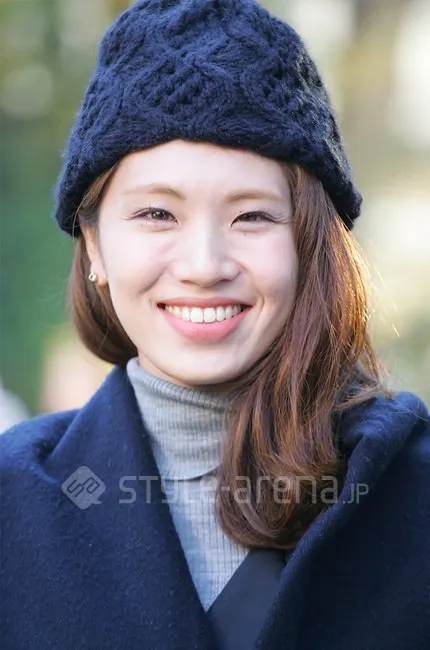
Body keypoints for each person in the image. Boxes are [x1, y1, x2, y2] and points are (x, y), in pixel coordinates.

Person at [1, 1, 429, 649]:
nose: (204, 266)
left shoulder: (411, 495)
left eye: (252, 216)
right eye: (157, 214)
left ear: (310, 244)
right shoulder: (14, 504)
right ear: (94, 247)